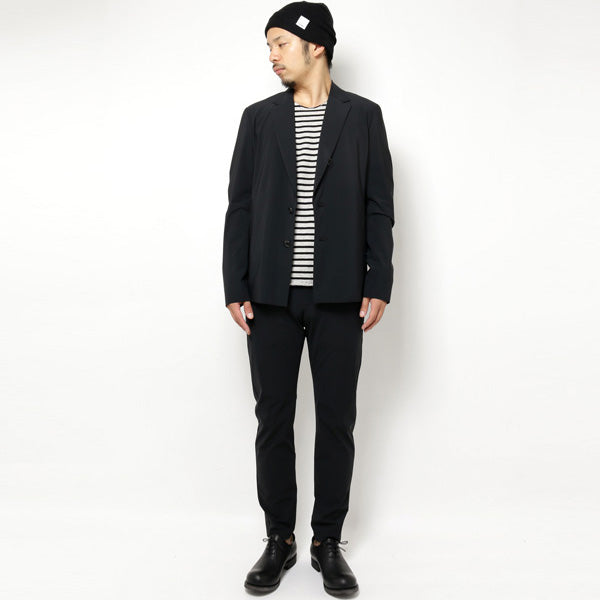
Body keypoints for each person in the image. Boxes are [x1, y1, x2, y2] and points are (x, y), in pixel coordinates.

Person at [222, 1, 394, 596]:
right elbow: (240, 205)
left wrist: (378, 280)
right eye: (268, 45)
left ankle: (327, 542)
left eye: (280, 43)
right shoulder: (259, 118)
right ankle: (280, 539)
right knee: (273, 418)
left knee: (336, 419)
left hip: (339, 295)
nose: (271, 55)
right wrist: (235, 284)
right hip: (269, 295)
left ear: (315, 44)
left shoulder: (363, 117)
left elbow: (379, 205)